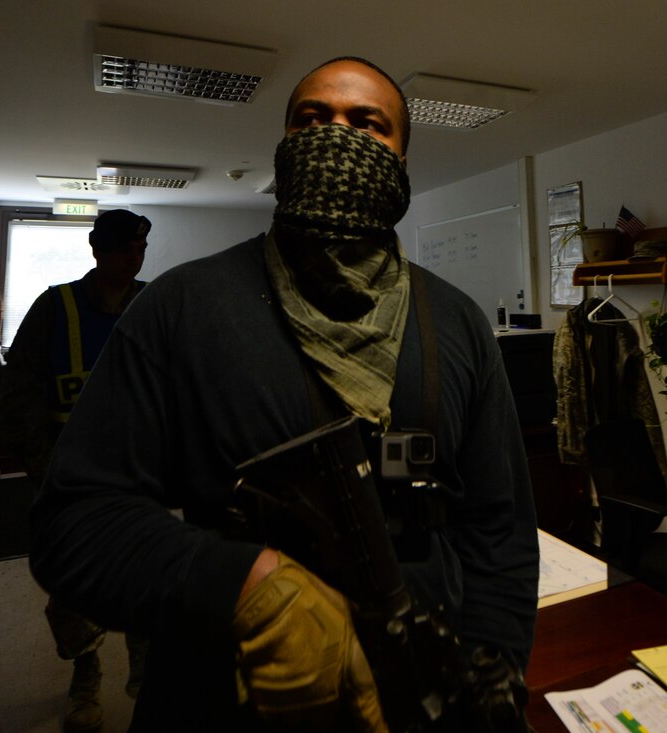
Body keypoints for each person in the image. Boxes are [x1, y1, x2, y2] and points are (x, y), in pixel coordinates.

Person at [29, 57, 540, 732]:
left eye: (368, 124)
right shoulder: (184, 306)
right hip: (222, 688)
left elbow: (499, 527)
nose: (337, 135)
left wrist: (497, 664)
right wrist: (240, 582)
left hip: (421, 688)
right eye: (312, 119)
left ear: (404, 163)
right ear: (284, 148)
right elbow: (75, 523)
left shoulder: (457, 323)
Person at [0, 208, 152, 733]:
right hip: (69, 478)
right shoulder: (53, 307)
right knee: (70, 584)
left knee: (148, 573)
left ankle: (145, 668)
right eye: (127, 249)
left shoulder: (153, 303)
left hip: (139, 476)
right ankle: (86, 669)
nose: (136, 259)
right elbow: (18, 390)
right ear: (97, 250)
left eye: (141, 250)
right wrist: (42, 466)